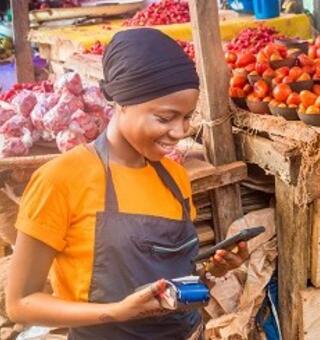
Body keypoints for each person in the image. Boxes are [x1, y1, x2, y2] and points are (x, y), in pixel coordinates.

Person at [6, 28, 249, 340]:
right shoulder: (61, 179)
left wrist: (214, 269)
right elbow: (20, 303)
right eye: (165, 118)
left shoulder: (175, 178)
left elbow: (169, 277)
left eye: (187, 117)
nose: (180, 131)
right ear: (122, 103)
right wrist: (116, 312)